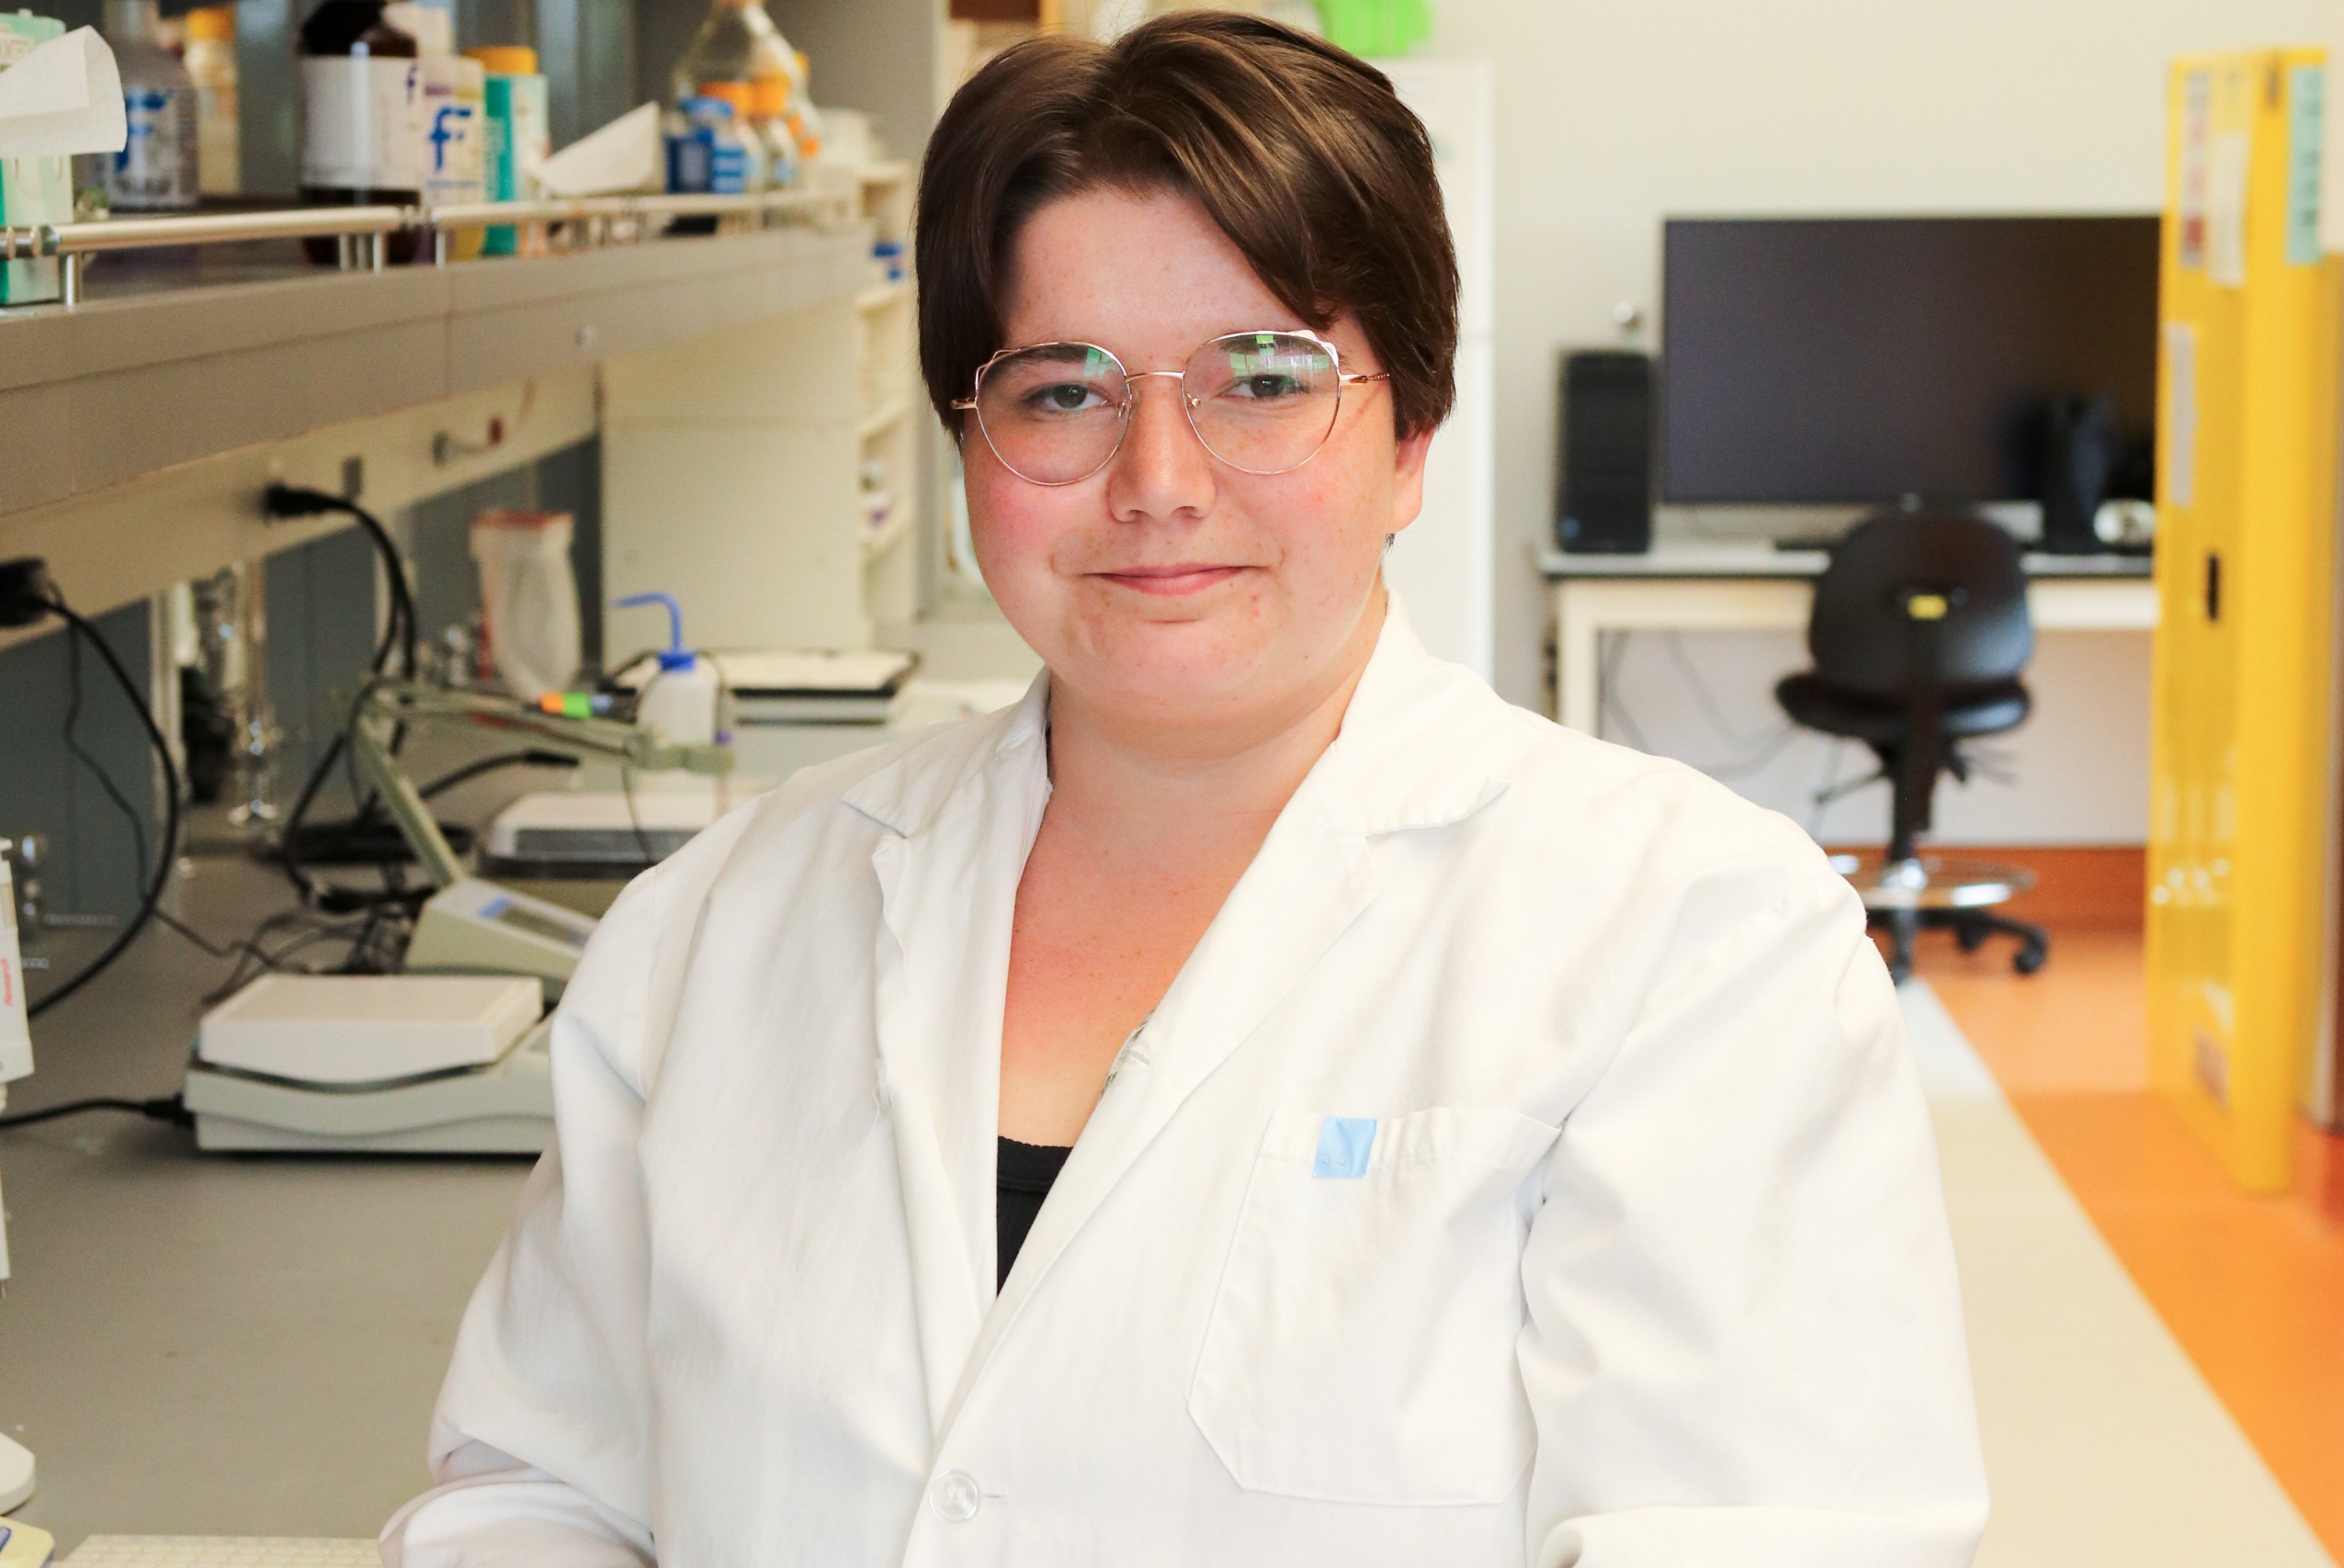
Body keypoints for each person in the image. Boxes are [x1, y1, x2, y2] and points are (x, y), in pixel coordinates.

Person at [382, 14, 1987, 1566]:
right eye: (1064, 390)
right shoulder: (716, 932)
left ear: (1413, 433)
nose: (1158, 481)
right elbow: (539, 1485)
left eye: (1265, 378)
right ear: (971, 442)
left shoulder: (1694, 949)